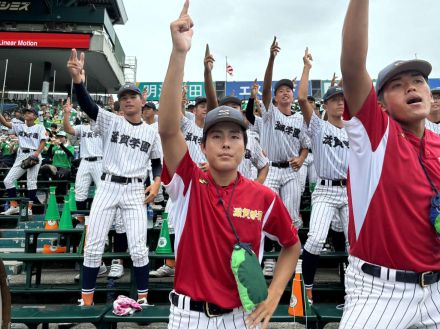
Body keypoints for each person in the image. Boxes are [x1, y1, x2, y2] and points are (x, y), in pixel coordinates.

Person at [158, 2, 300, 328]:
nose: (226, 142)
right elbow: (167, 128)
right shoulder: (189, 183)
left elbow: (291, 245)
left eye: (235, 136)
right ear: (203, 146)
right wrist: (179, 52)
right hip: (187, 316)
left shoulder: (263, 198)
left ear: (245, 146)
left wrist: (275, 292)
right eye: (217, 136)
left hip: (241, 317)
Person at [339, 1, 440, 328]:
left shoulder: (438, 141)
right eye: (397, 85)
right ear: (380, 103)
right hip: (379, 291)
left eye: (418, 80)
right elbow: (353, 67)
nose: (412, 86)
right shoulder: (376, 135)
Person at [67, 49, 163, 306]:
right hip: (108, 185)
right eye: (124, 97)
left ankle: (142, 299)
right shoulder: (110, 120)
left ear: (142, 101)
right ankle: (86, 301)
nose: (128, 100)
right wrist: (78, 81)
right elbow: (87, 105)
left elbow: (156, 161)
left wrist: (156, 181)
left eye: (133, 96)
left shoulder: (152, 132)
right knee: (94, 245)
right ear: (119, 102)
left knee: (139, 248)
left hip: (135, 190)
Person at [297, 48, 349, 305]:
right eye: (335, 98)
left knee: (356, 246)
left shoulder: (355, 129)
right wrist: (307, 67)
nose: (340, 101)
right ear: (326, 104)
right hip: (326, 191)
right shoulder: (319, 126)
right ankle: (307, 290)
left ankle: (354, 294)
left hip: (350, 191)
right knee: (316, 238)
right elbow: (302, 98)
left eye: (343, 98)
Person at [260, 36, 311, 230]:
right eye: (280, 90)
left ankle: (289, 254)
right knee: (269, 211)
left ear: (292, 95)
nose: (285, 92)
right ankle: (269, 257)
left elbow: (306, 144)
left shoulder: (300, 118)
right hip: (270, 169)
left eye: (288, 90)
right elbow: (265, 90)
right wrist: (271, 59)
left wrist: (301, 157)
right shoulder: (270, 114)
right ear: (275, 96)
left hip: (291, 171)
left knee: (291, 216)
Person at [0, 108, 46, 216]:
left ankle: (29, 208)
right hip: (21, 154)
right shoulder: (20, 126)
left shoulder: (40, 127)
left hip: (34, 153)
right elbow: (5, 123)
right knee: (8, 180)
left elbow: (43, 141)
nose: (26, 114)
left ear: (35, 116)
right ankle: (14, 206)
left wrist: (36, 154)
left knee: (31, 181)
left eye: (29, 112)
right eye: (25, 112)